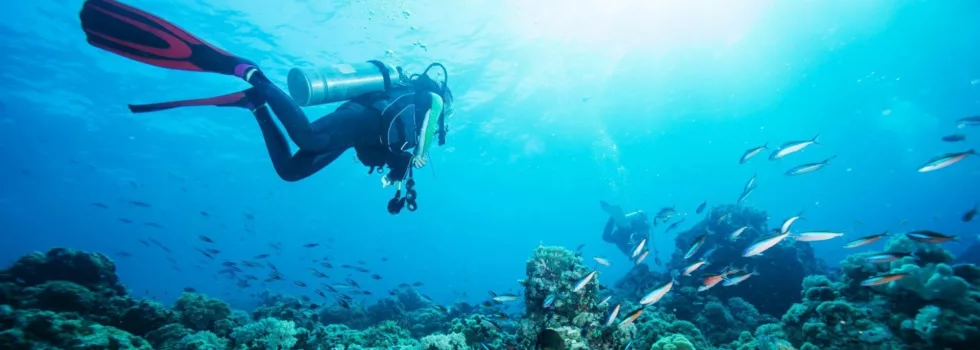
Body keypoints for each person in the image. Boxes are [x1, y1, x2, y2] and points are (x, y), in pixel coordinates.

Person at [78, 0, 455, 214]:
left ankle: (255, 104)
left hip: (360, 128)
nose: (445, 120)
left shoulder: (414, 115)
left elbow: (397, 154)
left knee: (291, 171)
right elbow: (428, 125)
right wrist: (420, 153)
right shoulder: (432, 101)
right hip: (363, 117)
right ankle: (250, 73)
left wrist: (398, 177)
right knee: (307, 138)